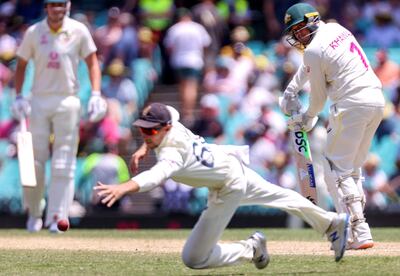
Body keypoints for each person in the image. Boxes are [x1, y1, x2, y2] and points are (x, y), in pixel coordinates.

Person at [94, 102, 349, 270]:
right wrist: (144, 146)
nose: (146, 135)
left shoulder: (171, 152)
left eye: (150, 132)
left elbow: (155, 177)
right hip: (230, 166)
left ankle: (249, 248)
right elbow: (168, 110)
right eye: (143, 130)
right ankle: (330, 222)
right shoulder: (172, 123)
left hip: (227, 186)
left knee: (193, 258)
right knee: (280, 196)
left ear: (166, 129)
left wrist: (123, 188)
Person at [279, 3, 385, 250]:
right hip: (376, 101)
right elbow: (312, 66)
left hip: (350, 105)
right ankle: (354, 231)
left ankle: (358, 231)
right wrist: (292, 89)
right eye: (295, 33)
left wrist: (307, 117)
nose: (298, 36)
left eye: (300, 30)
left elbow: (317, 98)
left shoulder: (313, 50)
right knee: (351, 169)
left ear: (312, 21)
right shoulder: (338, 30)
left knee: (335, 170)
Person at [12, 0, 107, 233]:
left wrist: (96, 93)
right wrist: (18, 96)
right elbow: (22, 65)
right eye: (52, 5)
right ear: (46, 8)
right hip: (39, 100)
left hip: (68, 100)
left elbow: (92, 62)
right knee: (33, 162)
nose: (57, 9)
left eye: (61, 5)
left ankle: (57, 217)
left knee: (64, 162)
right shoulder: (34, 32)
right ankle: (34, 213)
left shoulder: (79, 30)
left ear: (68, 5)